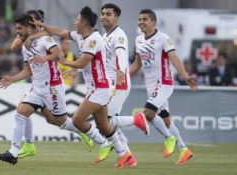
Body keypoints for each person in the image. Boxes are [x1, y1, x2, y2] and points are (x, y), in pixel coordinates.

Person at [33, 6, 131, 168]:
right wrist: (43, 26)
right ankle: (124, 154)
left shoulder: (94, 39)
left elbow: (83, 62)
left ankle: (105, 145)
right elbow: (62, 32)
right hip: (95, 87)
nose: (75, 22)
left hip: (100, 88)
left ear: (85, 22)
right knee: (103, 125)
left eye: (78, 19)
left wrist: (64, 62)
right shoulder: (80, 35)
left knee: (78, 120)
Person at [0, 14, 93, 165]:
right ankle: (14, 152)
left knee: (60, 122)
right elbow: (28, 70)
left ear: (30, 26)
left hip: (52, 87)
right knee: (21, 113)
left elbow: (57, 49)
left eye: (20, 28)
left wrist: (42, 55)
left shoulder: (44, 39)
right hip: (37, 87)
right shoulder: (25, 45)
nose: (17, 32)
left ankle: (87, 131)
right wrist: (12, 79)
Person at [129, 9, 198, 164]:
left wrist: (185, 76)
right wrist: (124, 76)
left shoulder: (163, 38)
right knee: (166, 121)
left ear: (153, 22)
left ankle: (169, 138)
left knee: (147, 113)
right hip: (150, 85)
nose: (141, 22)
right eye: (139, 19)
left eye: (145, 19)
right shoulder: (138, 39)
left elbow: (174, 58)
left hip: (164, 82)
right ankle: (184, 150)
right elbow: (137, 63)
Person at [99, 3, 150, 166]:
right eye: (103, 14)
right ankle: (129, 157)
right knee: (110, 123)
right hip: (109, 82)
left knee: (105, 121)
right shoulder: (104, 35)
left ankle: (137, 119)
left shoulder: (118, 35)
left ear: (117, 17)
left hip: (117, 82)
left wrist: (121, 72)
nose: (104, 17)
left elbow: (121, 55)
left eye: (108, 14)